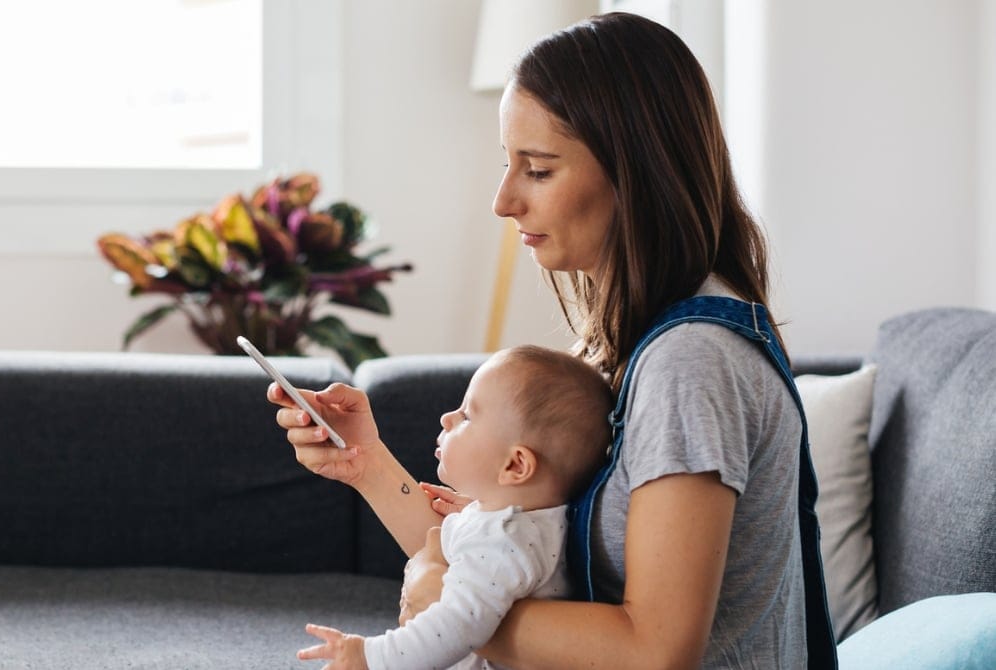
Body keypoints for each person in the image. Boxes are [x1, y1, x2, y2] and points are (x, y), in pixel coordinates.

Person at [267, 11, 836, 669]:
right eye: (509, 164)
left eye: (537, 170)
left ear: (637, 176)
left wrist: (449, 603)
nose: (503, 200)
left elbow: (657, 650)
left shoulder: (690, 364)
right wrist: (367, 464)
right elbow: (500, 562)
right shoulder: (637, 346)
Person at [297, 345, 612, 670]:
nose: (447, 418)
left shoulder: (503, 541)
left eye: (467, 415)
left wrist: (369, 656)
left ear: (515, 466)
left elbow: (456, 626)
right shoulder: (527, 524)